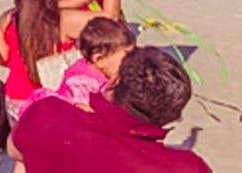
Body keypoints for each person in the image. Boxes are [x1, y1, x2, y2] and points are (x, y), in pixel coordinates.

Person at [12, 47, 211, 173]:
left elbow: (15, 150)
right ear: (172, 117)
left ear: (112, 82)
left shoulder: (48, 113)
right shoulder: (186, 168)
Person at [0, 0, 119, 126]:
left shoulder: (6, 20)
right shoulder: (61, 21)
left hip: (16, 98)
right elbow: (110, 20)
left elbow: (0, 58)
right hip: (51, 99)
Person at [20, 16, 134, 117]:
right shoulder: (81, 83)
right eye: (126, 58)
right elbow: (90, 116)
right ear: (99, 59)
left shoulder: (96, 69)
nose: (131, 63)